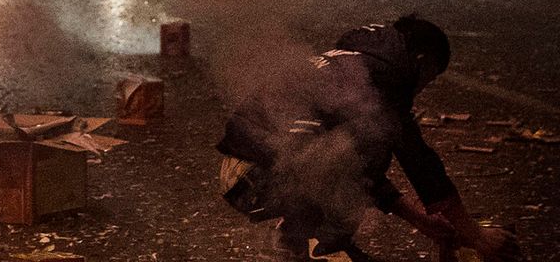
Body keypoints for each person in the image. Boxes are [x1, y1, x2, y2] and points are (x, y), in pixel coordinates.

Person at [217, 16, 520, 262]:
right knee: (366, 143)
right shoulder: (387, 77)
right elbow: (421, 166)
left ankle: (295, 241)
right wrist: (477, 237)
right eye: (431, 76)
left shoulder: (359, 62)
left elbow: (359, 173)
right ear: (421, 60)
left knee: (357, 145)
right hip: (259, 178)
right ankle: (323, 246)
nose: (424, 87)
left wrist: (419, 220)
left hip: (241, 174)